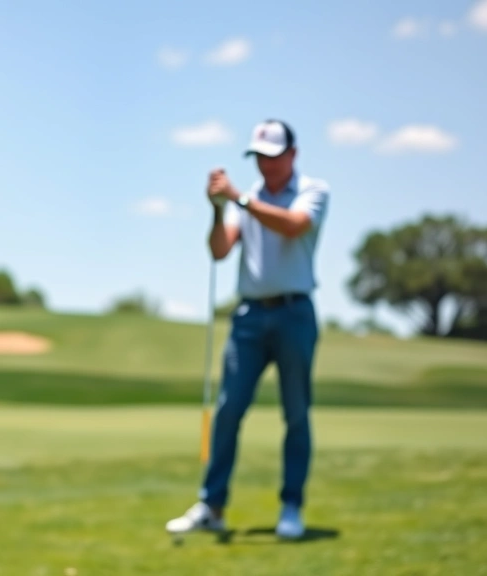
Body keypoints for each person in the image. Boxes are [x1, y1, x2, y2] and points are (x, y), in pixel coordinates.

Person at [166, 119, 329, 540]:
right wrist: (219, 208)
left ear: (292, 155)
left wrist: (238, 198)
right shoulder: (249, 201)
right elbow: (219, 250)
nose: (265, 165)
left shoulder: (313, 192)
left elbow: (293, 225)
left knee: (295, 413)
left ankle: (291, 506)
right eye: (259, 157)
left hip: (295, 313)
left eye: (273, 157)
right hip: (249, 317)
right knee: (228, 409)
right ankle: (212, 505)